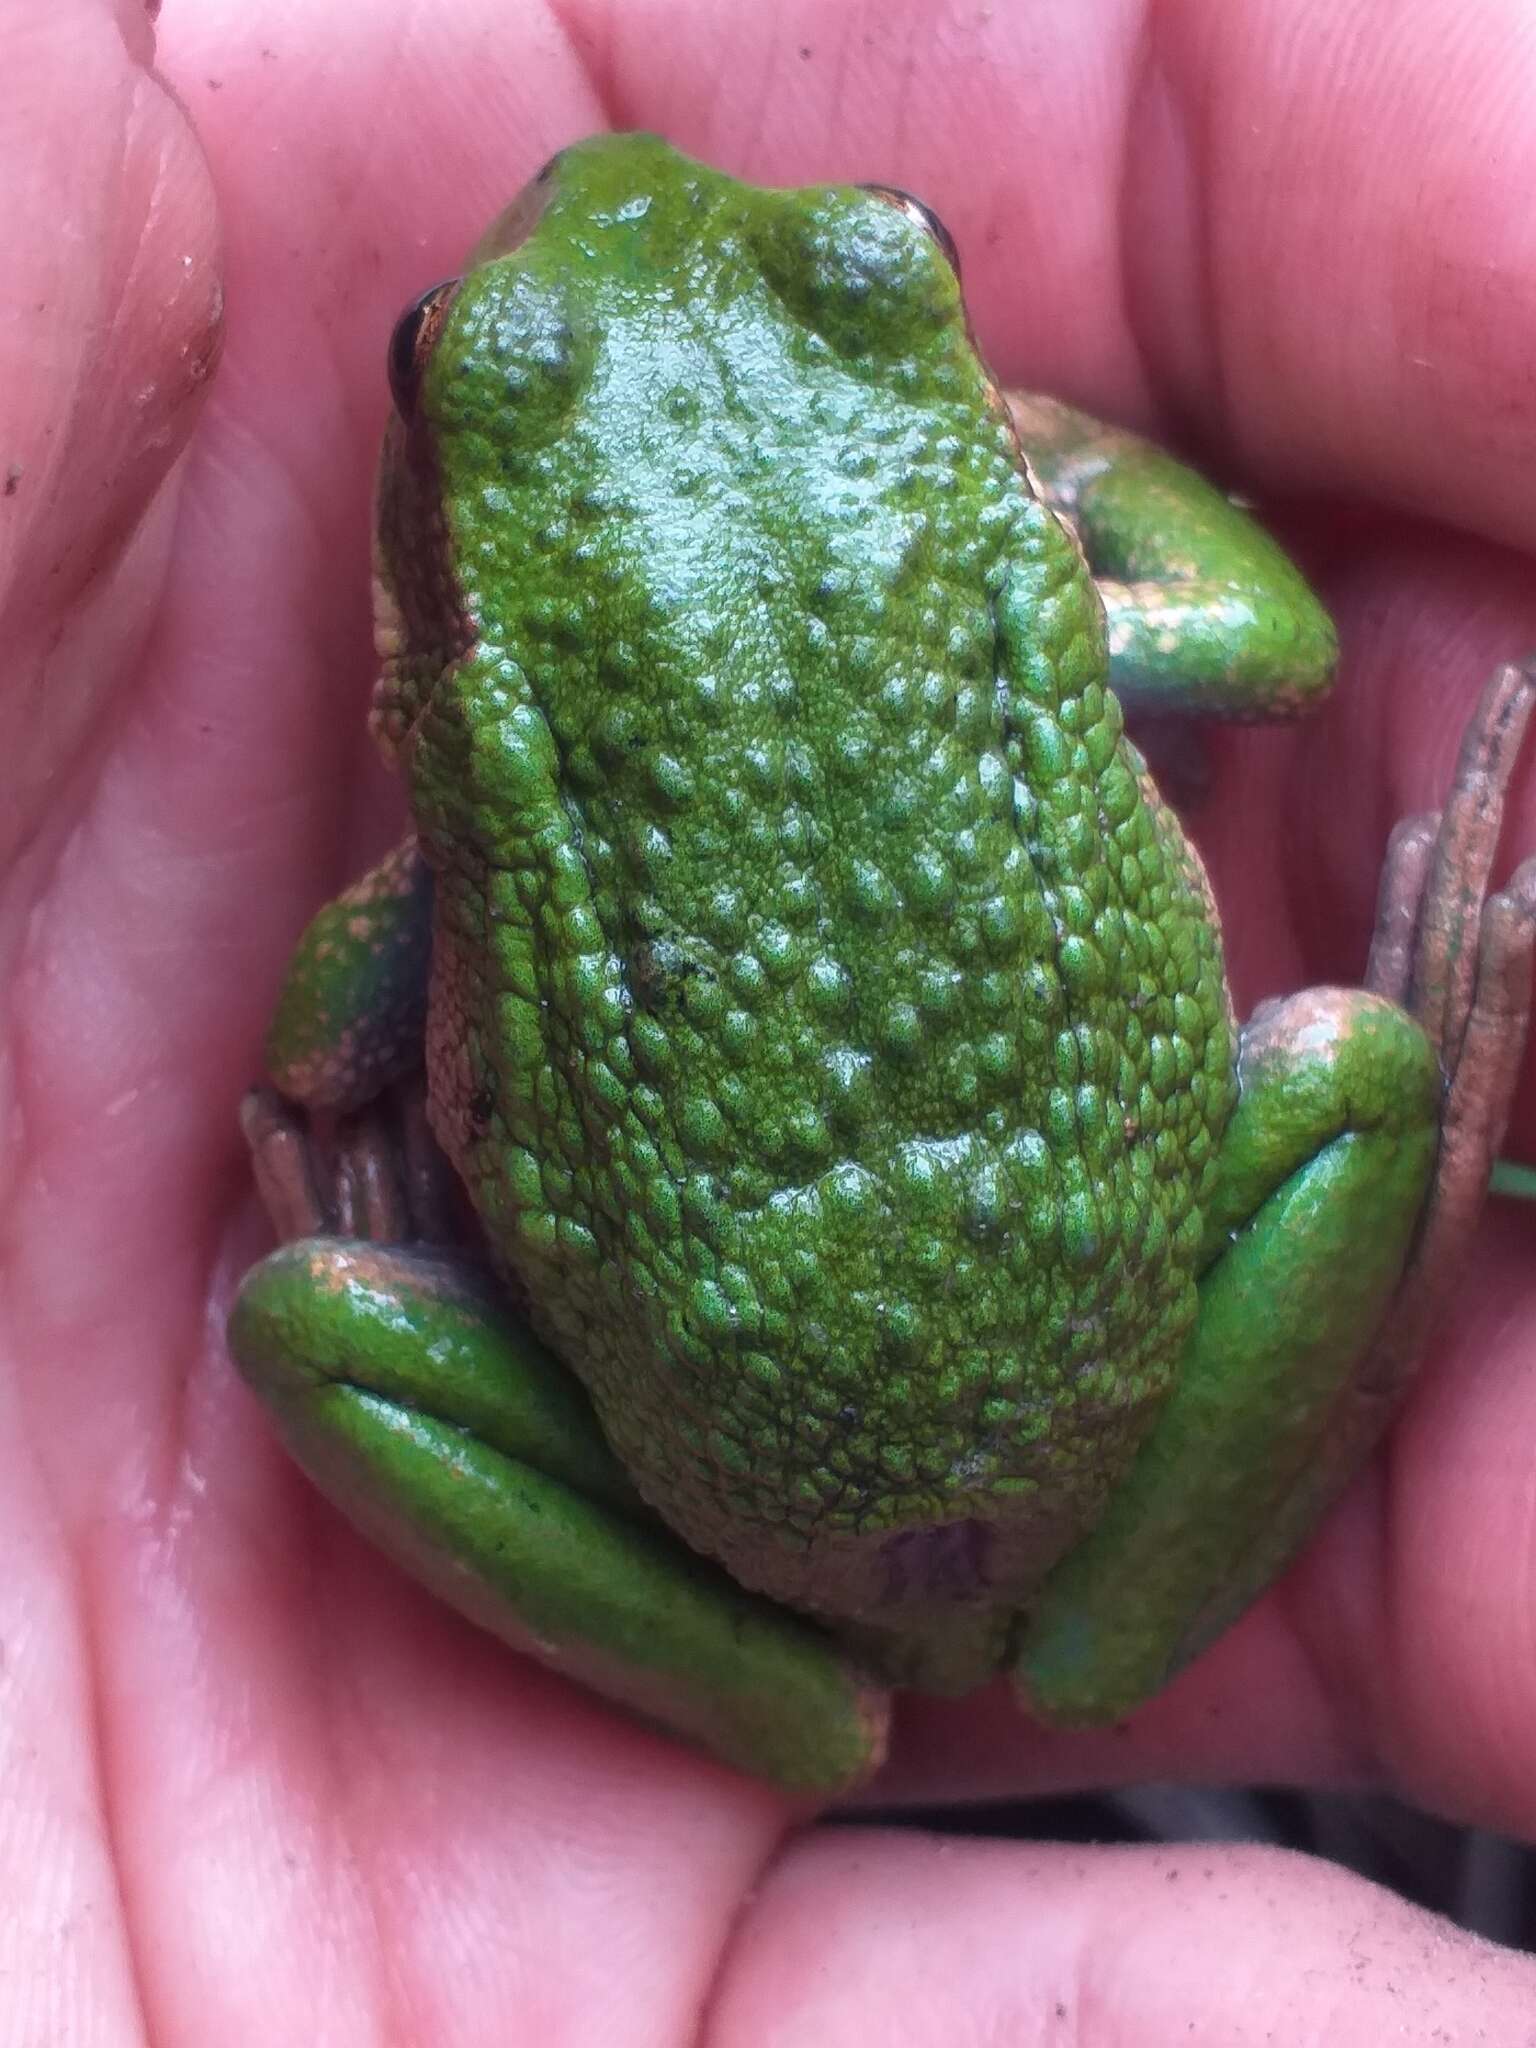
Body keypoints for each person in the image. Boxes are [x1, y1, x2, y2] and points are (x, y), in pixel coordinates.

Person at [6, 0, 1535, 2035]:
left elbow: (314, 1062)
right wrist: (1084, 468)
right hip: (1092, 1356)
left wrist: (375, 1105)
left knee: (309, 1324)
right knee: (1354, 1070)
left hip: (723, 1480)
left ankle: (802, 1696)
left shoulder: (457, 821)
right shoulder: (1028, 591)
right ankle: (1033, 1627)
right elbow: (1274, 644)